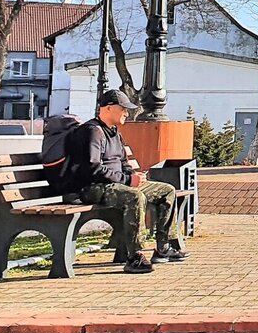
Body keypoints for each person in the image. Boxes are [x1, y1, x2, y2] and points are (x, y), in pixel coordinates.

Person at [62, 89, 188, 274]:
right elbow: (92, 168)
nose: (127, 113)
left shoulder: (114, 133)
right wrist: (128, 180)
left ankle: (163, 247)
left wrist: (134, 176)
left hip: (117, 184)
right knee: (134, 196)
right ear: (109, 108)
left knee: (166, 191)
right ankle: (134, 256)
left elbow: (122, 162)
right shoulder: (91, 132)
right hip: (92, 187)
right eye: (124, 109)